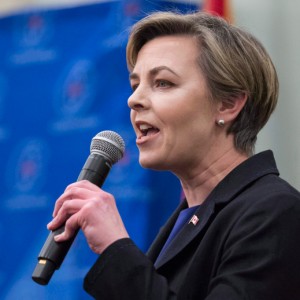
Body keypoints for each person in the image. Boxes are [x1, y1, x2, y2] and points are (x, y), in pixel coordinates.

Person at [47, 11, 300, 299]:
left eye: (163, 83)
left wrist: (115, 246)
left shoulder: (275, 212)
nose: (134, 99)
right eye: (135, 85)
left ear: (228, 104)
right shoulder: (185, 221)